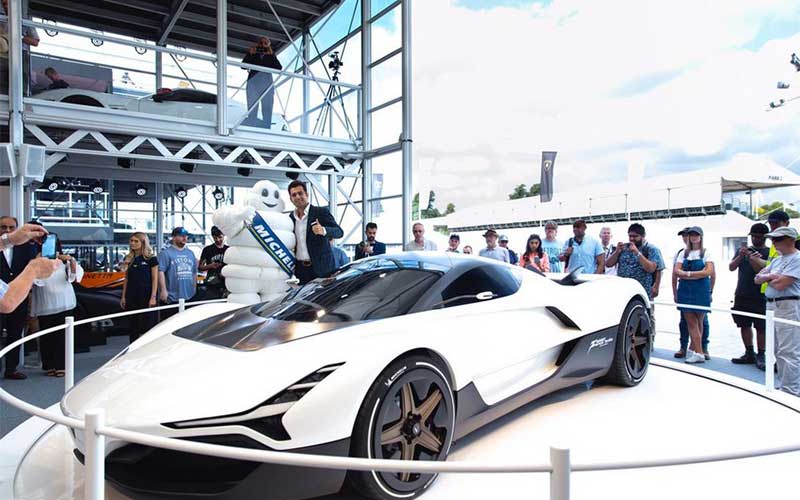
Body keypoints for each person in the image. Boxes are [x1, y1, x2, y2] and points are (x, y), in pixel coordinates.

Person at [0, 219, 57, 379]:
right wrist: (33, 269)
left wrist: (8, 240)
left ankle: (11, 368)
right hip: (11, 295)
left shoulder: (23, 246)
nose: (7, 230)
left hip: (21, 296)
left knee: (15, 332)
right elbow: (6, 302)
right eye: (3, 227)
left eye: (11, 227)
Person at [754, 226, 800, 396]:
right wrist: (772, 276)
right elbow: (757, 279)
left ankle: (791, 390)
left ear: (791, 240)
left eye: (778, 239)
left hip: (788, 305)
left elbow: (782, 284)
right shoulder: (777, 260)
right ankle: (785, 386)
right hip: (772, 306)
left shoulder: (797, 258)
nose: (774, 242)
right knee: (776, 349)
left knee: (789, 350)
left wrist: (768, 277)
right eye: (772, 239)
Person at [30, 232, 83, 377]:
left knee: (62, 337)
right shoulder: (36, 260)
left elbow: (75, 277)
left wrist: (70, 260)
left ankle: (61, 365)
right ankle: (49, 365)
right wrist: (38, 261)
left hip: (64, 303)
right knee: (47, 335)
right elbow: (35, 281)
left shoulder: (64, 260)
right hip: (45, 304)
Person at [729, 223, 770, 368]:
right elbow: (731, 267)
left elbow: (760, 271)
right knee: (743, 324)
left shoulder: (769, 253)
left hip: (760, 295)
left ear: (764, 237)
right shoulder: (743, 251)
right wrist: (741, 256)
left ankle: (761, 354)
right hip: (742, 292)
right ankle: (749, 352)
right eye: (753, 236)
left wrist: (753, 259)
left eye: (758, 237)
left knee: (761, 326)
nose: (755, 239)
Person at [288, 180, 344, 285]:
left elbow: (339, 232)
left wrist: (323, 230)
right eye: (294, 195)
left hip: (322, 269)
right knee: (303, 295)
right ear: (291, 199)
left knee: (324, 296)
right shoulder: (291, 218)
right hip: (301, 270)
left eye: (300, 193)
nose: (298, 197)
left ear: (306, 194)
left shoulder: (320, 212)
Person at [673, 226, 714, 364]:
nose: (694, 237)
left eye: (696, 235)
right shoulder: (683, 253)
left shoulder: (706, 252)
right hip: (686, 289)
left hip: (701, 290)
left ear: (701, 237)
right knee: (691, 321)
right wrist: (698, 274)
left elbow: (709, 271)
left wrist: (688, 274)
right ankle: (697, 350)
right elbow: (676, 271)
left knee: (699, 321)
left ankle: (698, 351)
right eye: (691, 235)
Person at [605, 223, 664, 301]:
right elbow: (608, 264)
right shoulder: (624, 248)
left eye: (635, 236)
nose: (632, 239)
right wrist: (617, 252)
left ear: (643, 236)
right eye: (630, 236)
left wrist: (637, 253)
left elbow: (652, 269)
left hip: (643, 291)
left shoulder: (651, 249)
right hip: (624, 291)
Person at [120, 232, 159, 343]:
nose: (132, 243)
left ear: (143, 242)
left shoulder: (151, 258)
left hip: (146, 295)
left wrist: (153, 297)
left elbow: (155, 278)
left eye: (136, 241)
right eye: (131, 241)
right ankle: (133, 346)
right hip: (132, 295)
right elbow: (126, 278)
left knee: (148, 323)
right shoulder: (129, 258)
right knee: (133, 324)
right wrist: (123, 296)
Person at [158, 227, 198, 320]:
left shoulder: (190, 253)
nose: (184, 238)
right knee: (170, 322)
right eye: (181, 236)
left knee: (187, 322)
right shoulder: (165, 253)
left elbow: (194, 272)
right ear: (174, 237)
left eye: (186, 236)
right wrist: (163, 290)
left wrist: (194, 288)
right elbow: (160, 271)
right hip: (172, 296)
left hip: (188, 295)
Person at [0, 0, 39, 95]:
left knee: (20, 82)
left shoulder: (24, 19)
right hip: (3, 53)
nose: (6, 6)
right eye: (4, 4)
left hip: (20, 54)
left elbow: (35, 41)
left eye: (8, 3)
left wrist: (18, 36)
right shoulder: (1, 18)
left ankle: (21, 97)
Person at [242, 37, 282, 129]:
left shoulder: (270, 56)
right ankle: (252, 122)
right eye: (261, 43)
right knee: (252, 106)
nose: (263, 45)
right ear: (258, 44)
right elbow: (243, 66)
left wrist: (272, 54)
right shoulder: (253, 54)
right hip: (253, 84)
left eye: (265, 43)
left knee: (267, 107)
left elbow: (279, 68)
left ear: (269, 45)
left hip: (266, 86)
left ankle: (266, 126)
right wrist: (249, 54)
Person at [199, 226, 228, 298]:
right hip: (212, 283)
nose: (217, 240)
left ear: (224, 235)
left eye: (220, 237)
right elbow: (200, 267)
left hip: (226, 283)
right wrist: (211, 266)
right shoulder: (207, 250)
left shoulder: (228, 249)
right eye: (215, 238)